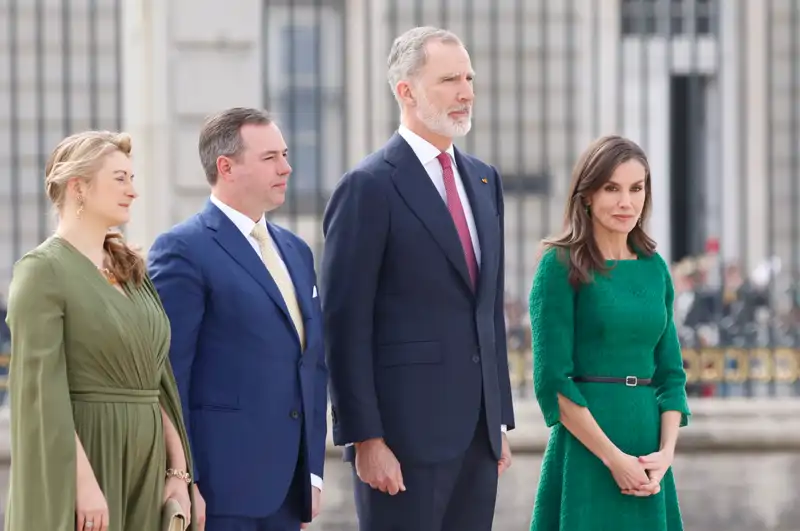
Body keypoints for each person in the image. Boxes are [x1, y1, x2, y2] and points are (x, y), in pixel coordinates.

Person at [322, 26, 514, 531]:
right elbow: (344, 324)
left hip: (477, 437)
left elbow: (486, 307)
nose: (467, 92)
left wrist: (497, 421)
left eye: (469, 77)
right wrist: (365, 438)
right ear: (405, 91)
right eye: (450, 79)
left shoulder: (484, 179)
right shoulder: (368, 187)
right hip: (402, 444)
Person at [4, 131, 195, 531]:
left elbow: (157, 381)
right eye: (120, 178)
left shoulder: (131, 271)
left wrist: (179, 476)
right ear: (79, 188)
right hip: (90, 456)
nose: (133, 191)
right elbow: (42, 393)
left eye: (132, 178)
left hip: (148, 466)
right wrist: (84, 485)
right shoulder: (41, 272)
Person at [148, 107, 328, 531]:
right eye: (270, 158)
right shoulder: (183, 249)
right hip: (218, 494)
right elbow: (169, 378)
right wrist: (182, 479)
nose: (286, 167)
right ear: (226, 167)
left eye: (284, 154)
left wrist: (312, 474)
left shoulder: (296, 251)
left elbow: (312, 365)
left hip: (289, 491)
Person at [528, 135, 691, 531]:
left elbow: (671, 376)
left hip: (648, 451)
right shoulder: (558, 265)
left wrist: (665, 454)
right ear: (586, 196)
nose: (626, 202)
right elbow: (552, 381)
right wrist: (612, 458)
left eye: (637, 189)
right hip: (588, 449)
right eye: (612, 189)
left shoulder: (655, 268)